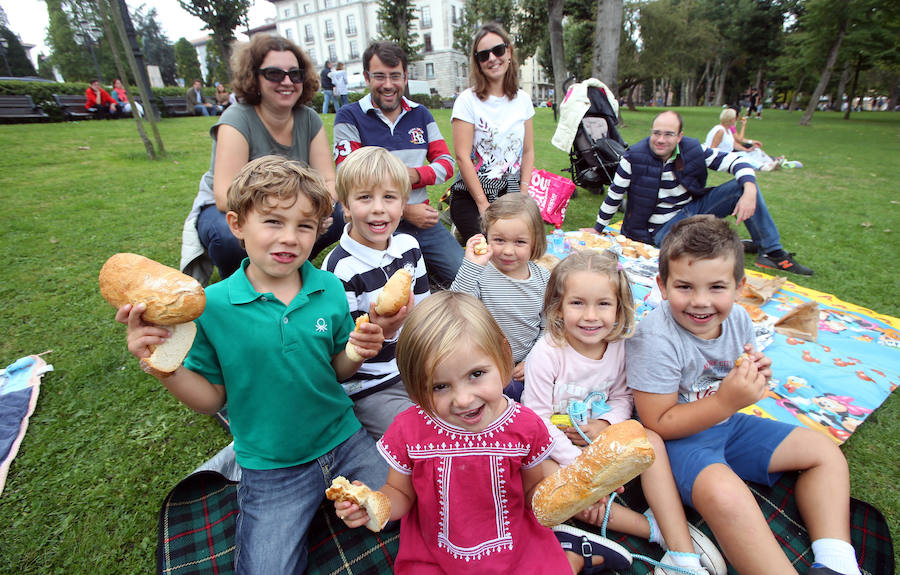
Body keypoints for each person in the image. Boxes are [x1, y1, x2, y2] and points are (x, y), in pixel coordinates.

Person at [118, 156, 388, 575]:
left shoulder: (329, 288)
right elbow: (211, 401)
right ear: (237, 224)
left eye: (304, 226)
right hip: (272, 465)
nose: (289, 238)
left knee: (408, 506)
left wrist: (355, 351)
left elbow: (336, 371)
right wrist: (163, 366)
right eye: (273, 221)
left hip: (344, 438)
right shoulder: (212, 307)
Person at [628, 215, 861, 575]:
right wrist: (726, 401)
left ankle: (836, 562)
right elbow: (656, 423)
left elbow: (733, 370)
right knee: (726, 494)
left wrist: (755, 372)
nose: (701, 301)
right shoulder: (655, 339)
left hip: (728, 426)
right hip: (675, 446)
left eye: (717, 287)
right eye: (685, 287)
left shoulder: (738, 319)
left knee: (824, 452)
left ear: (739, 287)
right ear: (662, 285)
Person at [333, 291, 617, 574]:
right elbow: (399, 493)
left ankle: (574, 556)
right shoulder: (410, 430)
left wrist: (574, 492)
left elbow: (533, 493)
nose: (463, 399)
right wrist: (374, 502)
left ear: (503, 356)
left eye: (476, 374)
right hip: (434, 552)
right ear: (416, 388)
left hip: (513, 546)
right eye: (439, 386)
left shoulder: (525, 426)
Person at [523, 250, 726, 575]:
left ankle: (683, 556)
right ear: (558, 306)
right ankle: (653, 530)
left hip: (599, 442)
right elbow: (536, 420)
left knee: (651, 440)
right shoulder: (547, 354)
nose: (591, 316)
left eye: (603, 304)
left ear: (619, 308)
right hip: (556, 449)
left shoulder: (619, 347)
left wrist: (606, 424)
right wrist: (581, 470)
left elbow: (622, 397)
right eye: (577, 303)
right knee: (546, 480)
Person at [181, 34, 341, 284]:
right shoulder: (237, 118)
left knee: (341, 213)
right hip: (233, 207)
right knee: (228, 235)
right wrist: (280, 216)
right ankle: (241, 282)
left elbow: (329, 180)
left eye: (295, 74)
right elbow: (224, 196)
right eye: (274, 74)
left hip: (293, 203)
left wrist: (319, 210)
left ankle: (292, 263)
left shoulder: (309, 119)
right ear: (253, 77)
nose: (287, 81)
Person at [592, 110, 813, 276]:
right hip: (658, 232)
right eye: (656, 133)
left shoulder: (693, 150)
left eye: (668, 134)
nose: (660, 140)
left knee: (741, 187)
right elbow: (615, 194)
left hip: (690, 210)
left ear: (680, 136)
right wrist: (597, 229)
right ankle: (743, 244)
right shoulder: (633, 158)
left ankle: (771, 252)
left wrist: (750, 189)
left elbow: (737, 161)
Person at [333, 41, 462, 287]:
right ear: (367, 77)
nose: (388, 84)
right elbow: (349, 176)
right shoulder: (349, 116)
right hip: (372, 222)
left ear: (405, 77)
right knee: (387, 288)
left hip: (422, 223)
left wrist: (413, 175)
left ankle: (425, 269)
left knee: (464, 275)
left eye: (395, 76)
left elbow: (447, 164)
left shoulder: (420, 114)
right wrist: (405, 210)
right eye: (379, 76)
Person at [321, 147, 429, 438]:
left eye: (389, 197)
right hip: (371, 384)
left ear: (403, 204)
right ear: (345, 206)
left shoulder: (409, 248)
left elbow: (424, 313)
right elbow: (345, 354)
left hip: (415, 366)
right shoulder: (339, 269)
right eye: (365, 197)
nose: (379, 208)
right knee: (415, 438)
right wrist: (382, 331)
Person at [450, 194, 550, 402]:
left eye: (520, 242)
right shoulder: (479, 272)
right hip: (480, 364)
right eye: (499, 240)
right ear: (486, 237)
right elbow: (455, 306)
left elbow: (548, 327)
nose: (507, 251)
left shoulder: (543, 279)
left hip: (524, 365)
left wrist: (534, 360)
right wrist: (471, 266)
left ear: (535, 242)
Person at [449, 23, 535, 243]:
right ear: (477, 62)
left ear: (509, 52)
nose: (492, 58)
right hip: (472, 195)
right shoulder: (467, 101)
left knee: (521, 245)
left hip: (511, 192)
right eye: (484, 55)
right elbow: (462, 156)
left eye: (498, 50)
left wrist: (523, 194)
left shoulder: (523, 100)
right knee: (491, 248)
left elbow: (528, 151)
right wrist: (483, 205)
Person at [704, 108, 780, 171]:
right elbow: (713, 149)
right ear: (731, 119)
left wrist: (746, 150)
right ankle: (762, 167)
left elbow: (734, 144)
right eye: (735, 118)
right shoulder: (720, 131)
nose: (736, 120)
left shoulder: (728, 130)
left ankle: (768, 163)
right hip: (719, 157)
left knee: (747, 153)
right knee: (742, 156)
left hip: (726, 155)